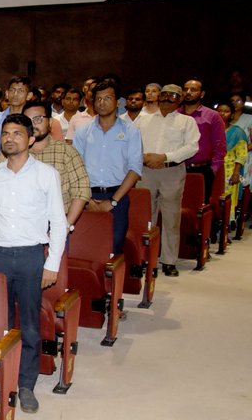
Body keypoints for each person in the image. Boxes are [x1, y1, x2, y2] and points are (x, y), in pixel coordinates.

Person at [0, 114, 67, 415]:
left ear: (31, 139)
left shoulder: (46, 175)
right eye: (5, 133)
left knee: (29, 324)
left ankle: (26, 383)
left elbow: (58, 221)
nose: (10, 138)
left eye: (17, 133)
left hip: (31, 256)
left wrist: (52, 262)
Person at [73, 79, 143, 255]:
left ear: (118, 102)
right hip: (86, 197)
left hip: (117, 196)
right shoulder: (83, 131)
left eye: (107, 98)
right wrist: (87, 199)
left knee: (113, 249)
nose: (102, 103)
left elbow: (135, 169)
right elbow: (76, 168)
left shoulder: (131, 131)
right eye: (98, 99)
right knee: (86, 248)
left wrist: (112, 202)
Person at [134, 85, 198, 276]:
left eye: (173, 95)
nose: (167, 98)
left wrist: (165, 157)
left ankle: (169, 261)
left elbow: (192, 147)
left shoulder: (186, 121)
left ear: (179, 100)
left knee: (171, 218)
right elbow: (132, 141)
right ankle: (145, 258)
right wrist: (144, 157)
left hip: (171, 171)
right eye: (164, 94)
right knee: (145, 217)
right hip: (145, 171)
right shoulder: (143, 119)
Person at [21, 102, 90, 230]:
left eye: (38, 119)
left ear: (50, 122)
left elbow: (82, 191)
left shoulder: (67, 152)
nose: (32, 125)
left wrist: (65, 226)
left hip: (57, 222)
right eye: (27, 121)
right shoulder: (10, 154)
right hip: (21, 224)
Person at [180, 79, 225, 200]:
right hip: (177, 168)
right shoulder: (175, 114)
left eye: (193, 90)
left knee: (199, 209)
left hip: (202, 169)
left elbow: (220, 146)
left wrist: (213, 170)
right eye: (186, 89)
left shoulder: (212, 116)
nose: (188, 92)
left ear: (202, 94)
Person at [0, 76, 32, 171]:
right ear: (6, 93)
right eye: (12, 90)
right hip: (2, 170)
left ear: (29, 95)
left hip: (29, 170)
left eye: (21, 91)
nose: (15, 94)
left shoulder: (32, 120)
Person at [217, 101, 247, 226]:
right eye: (220, 110)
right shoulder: (211, 129)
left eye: (226, 111)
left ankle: (225, 229)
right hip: (213, 169)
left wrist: (236, 172)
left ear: (232, 114)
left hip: (229, 171)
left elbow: (241, 154)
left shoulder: (237, 132)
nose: (222, 113)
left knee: (227, 201)